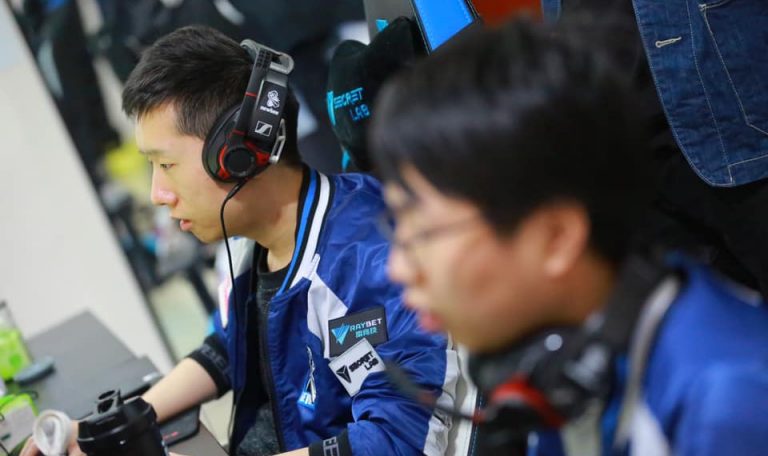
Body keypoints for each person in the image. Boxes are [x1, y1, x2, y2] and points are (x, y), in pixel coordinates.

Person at [21, 25, 460, 456]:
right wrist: (108, 429)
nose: (157, 194)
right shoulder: (247, 241)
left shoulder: (371, 259)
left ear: (240, 155)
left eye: (166, 165)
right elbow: (228, 346)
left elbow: (399, 438)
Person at [369, 17, 768, 455]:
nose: (398, 267)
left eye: (423, 232)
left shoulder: (727, 404)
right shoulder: (564, 367)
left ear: (556, 237)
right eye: (396, 227)